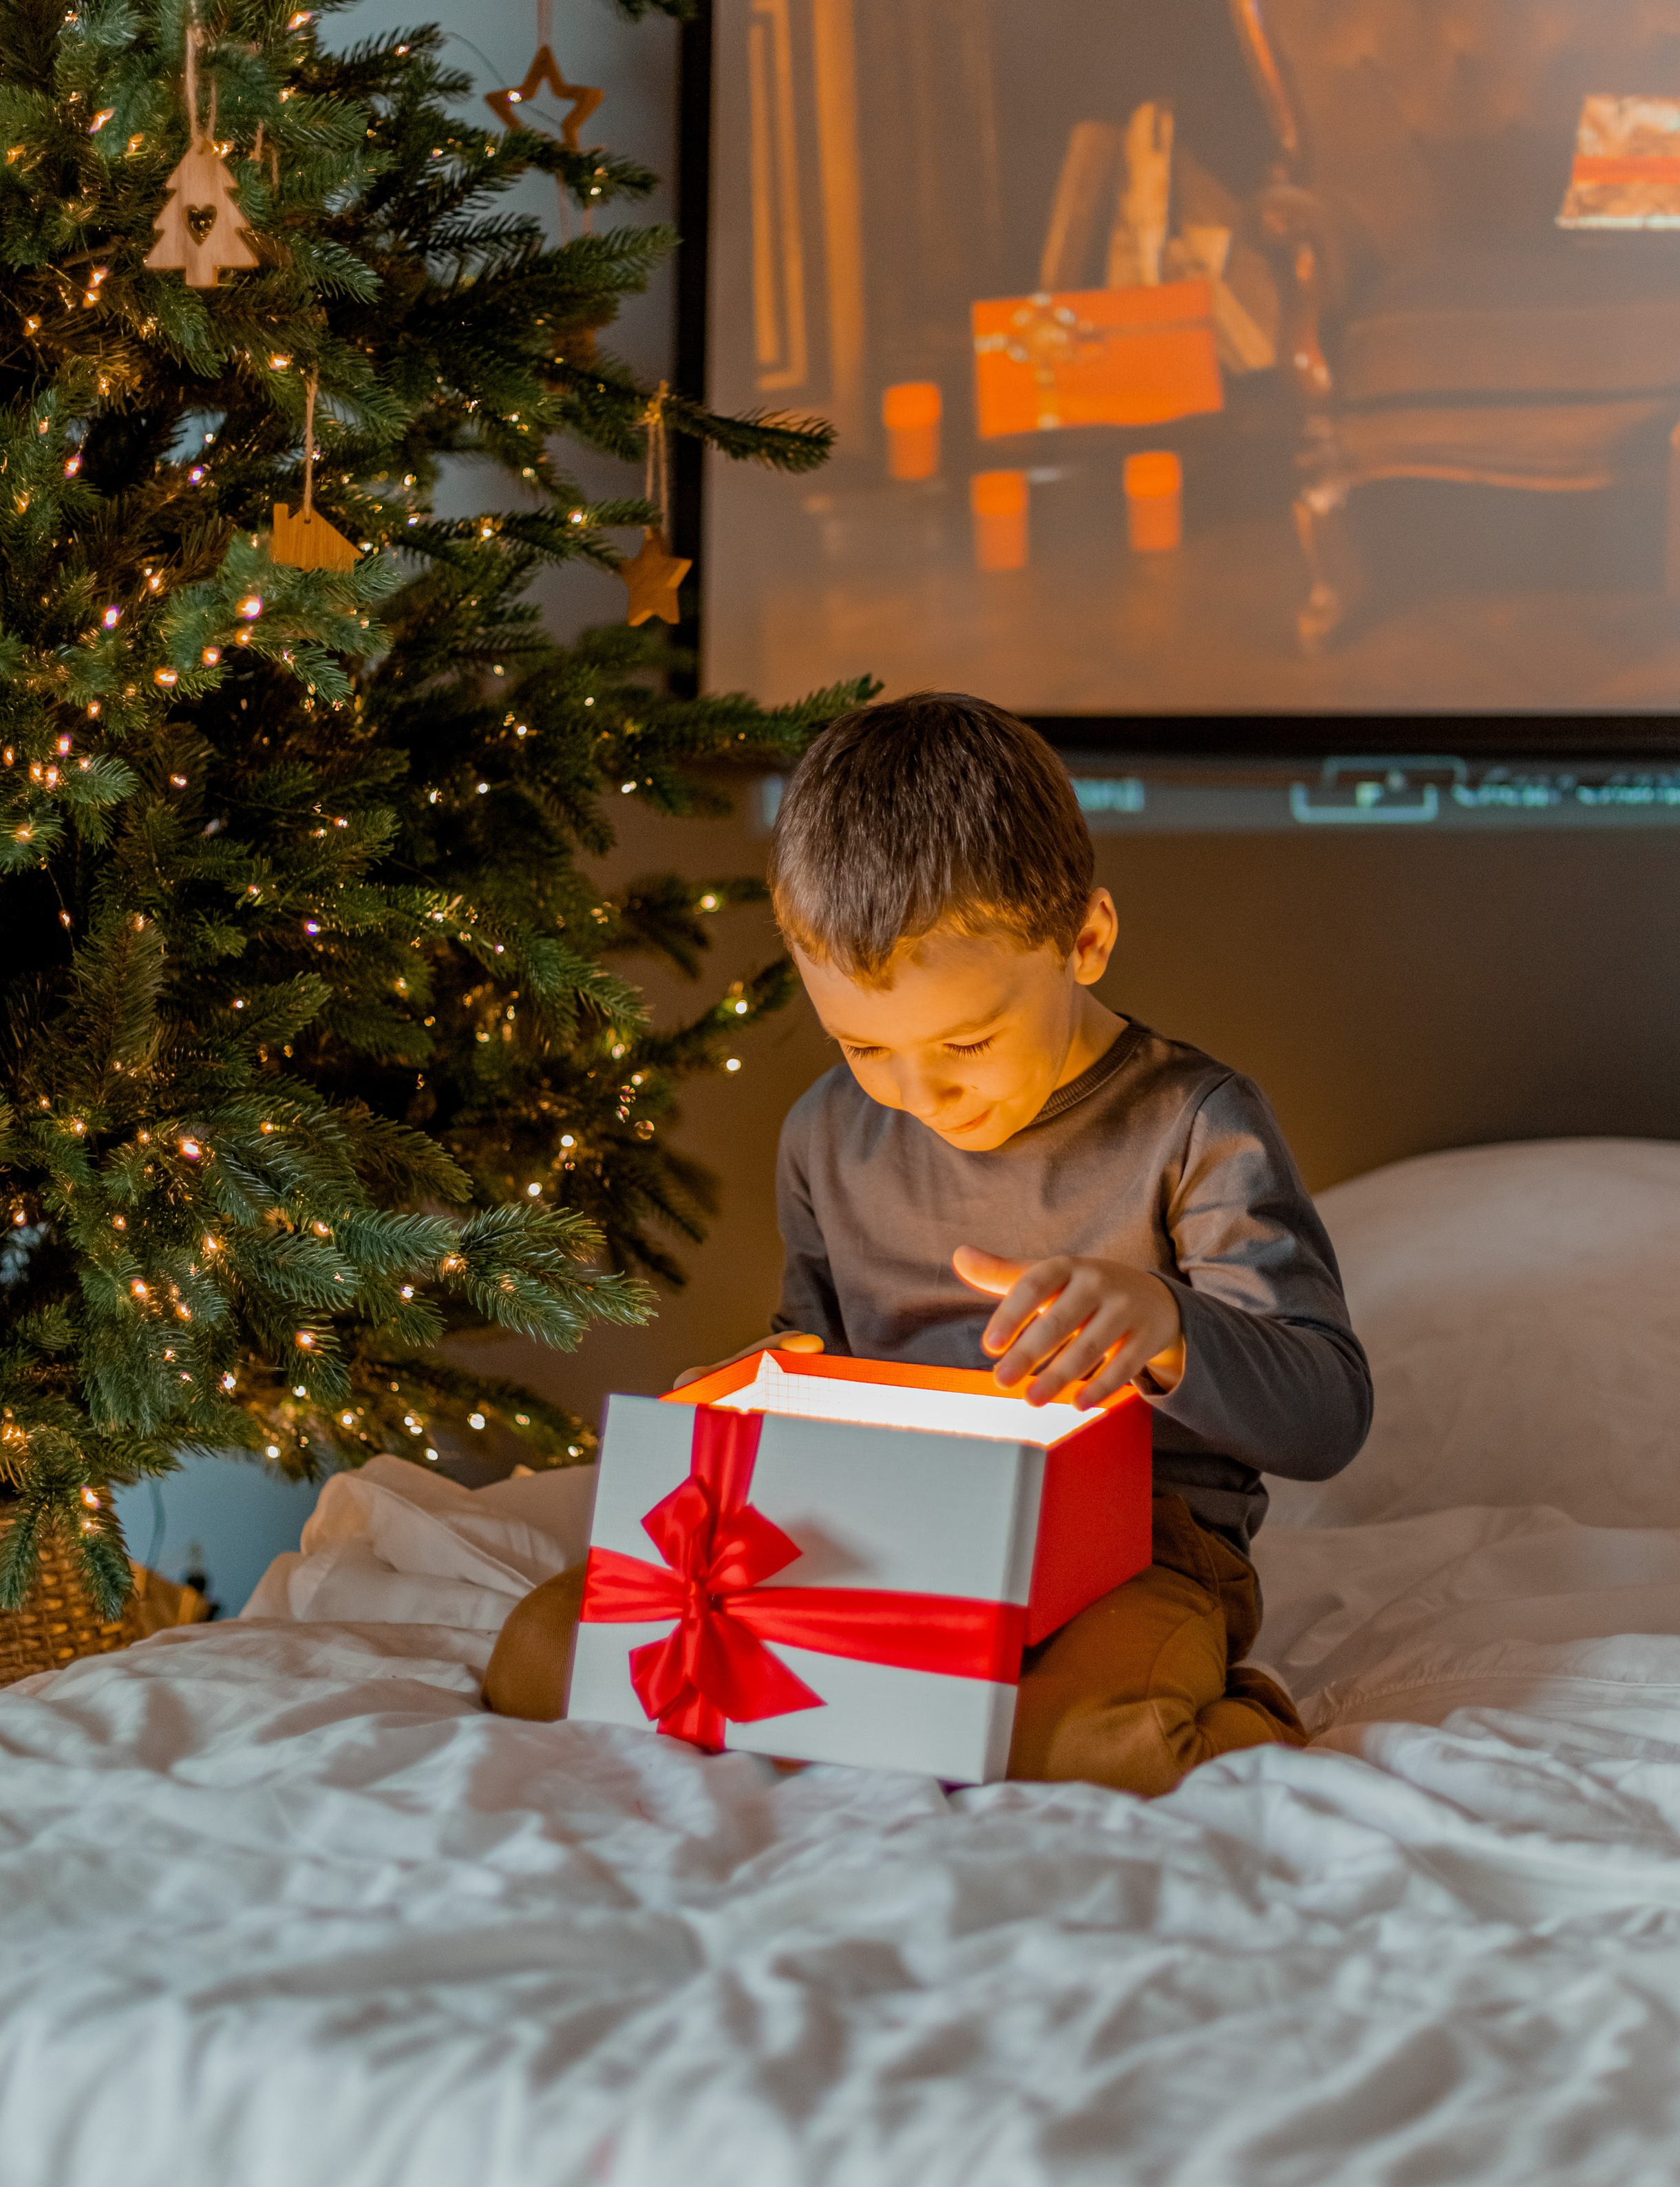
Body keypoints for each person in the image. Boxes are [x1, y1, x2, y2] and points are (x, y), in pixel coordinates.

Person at [485, 694, 1372, 1794]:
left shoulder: (1195, 1125)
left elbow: (1328, 1409)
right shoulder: (825, 1132)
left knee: (1098, 1747)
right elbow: (811, 1348)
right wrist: (743, 1402)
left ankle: (1227, 1717)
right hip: (887, 1514)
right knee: (541, 1659)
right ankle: (893, 1689)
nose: (920, 1090)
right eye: (864, 1043)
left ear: (1084, 940)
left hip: (1137, 1548)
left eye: (967, 1039)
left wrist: (1167, 1326)